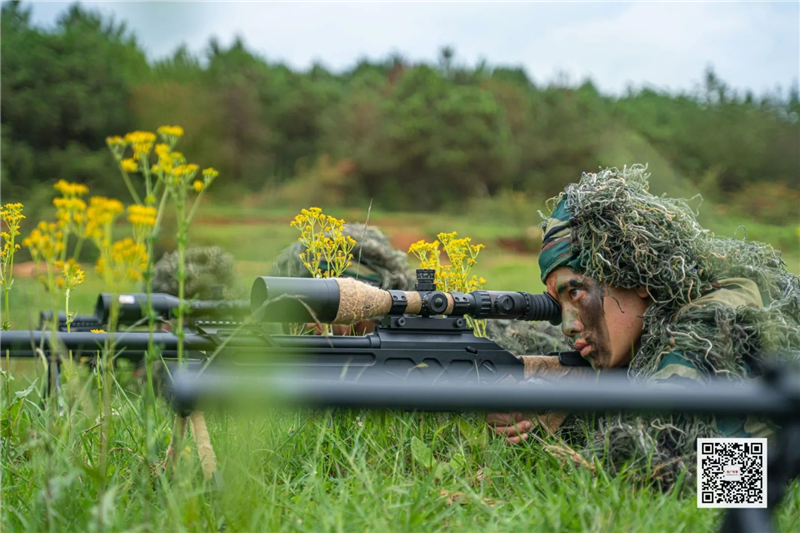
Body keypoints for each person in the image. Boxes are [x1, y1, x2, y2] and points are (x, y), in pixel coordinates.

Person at [487, 164, 800, 488]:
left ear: (634, 273)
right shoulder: (649, 326)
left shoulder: (712, 322)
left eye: (577, 292)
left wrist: (566, 423)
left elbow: (732, 477)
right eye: (558, 303)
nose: (568, 325)